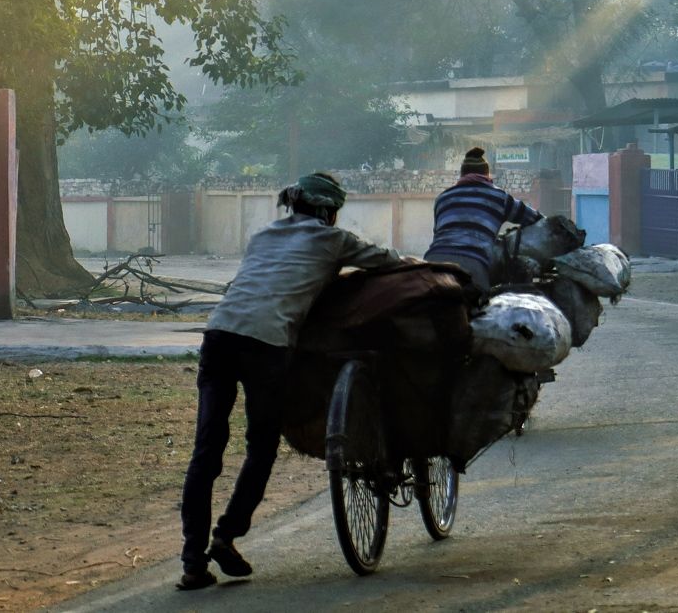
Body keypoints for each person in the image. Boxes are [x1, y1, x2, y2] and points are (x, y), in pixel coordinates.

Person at [178, 172, 403, 590]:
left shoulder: (263, 235)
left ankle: (192, 563)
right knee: (261, 447)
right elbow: (389, 261)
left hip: (219, 335)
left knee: (206, 451)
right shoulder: (334, 240)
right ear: (328, 211)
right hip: (267, 344)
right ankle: (226, 536)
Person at [424, 147, 543, 292]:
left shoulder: (443, 198)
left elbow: (438, 233)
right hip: (472, 263)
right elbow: (536, 219)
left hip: (432, 262)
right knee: (478, 304)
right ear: (487, 175)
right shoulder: (499, 198)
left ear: (462, 174)